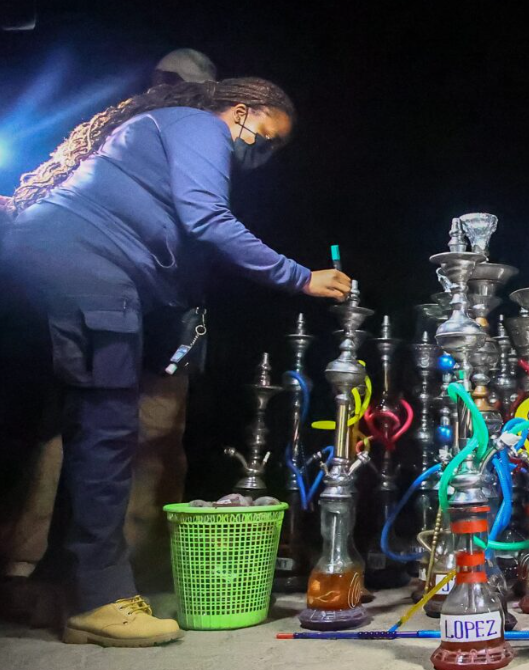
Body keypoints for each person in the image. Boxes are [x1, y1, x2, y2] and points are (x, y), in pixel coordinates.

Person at [0, 77, 350, 647]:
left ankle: (57, 586)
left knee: (81, 427)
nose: (258, 156)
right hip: (85, 267)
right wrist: (301, 278)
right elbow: (207, 219)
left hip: (59, 261)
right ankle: (100, 599)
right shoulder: (197, 125)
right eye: (263, 138)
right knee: (107, 429)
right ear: (241, 109)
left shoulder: (159, 131)